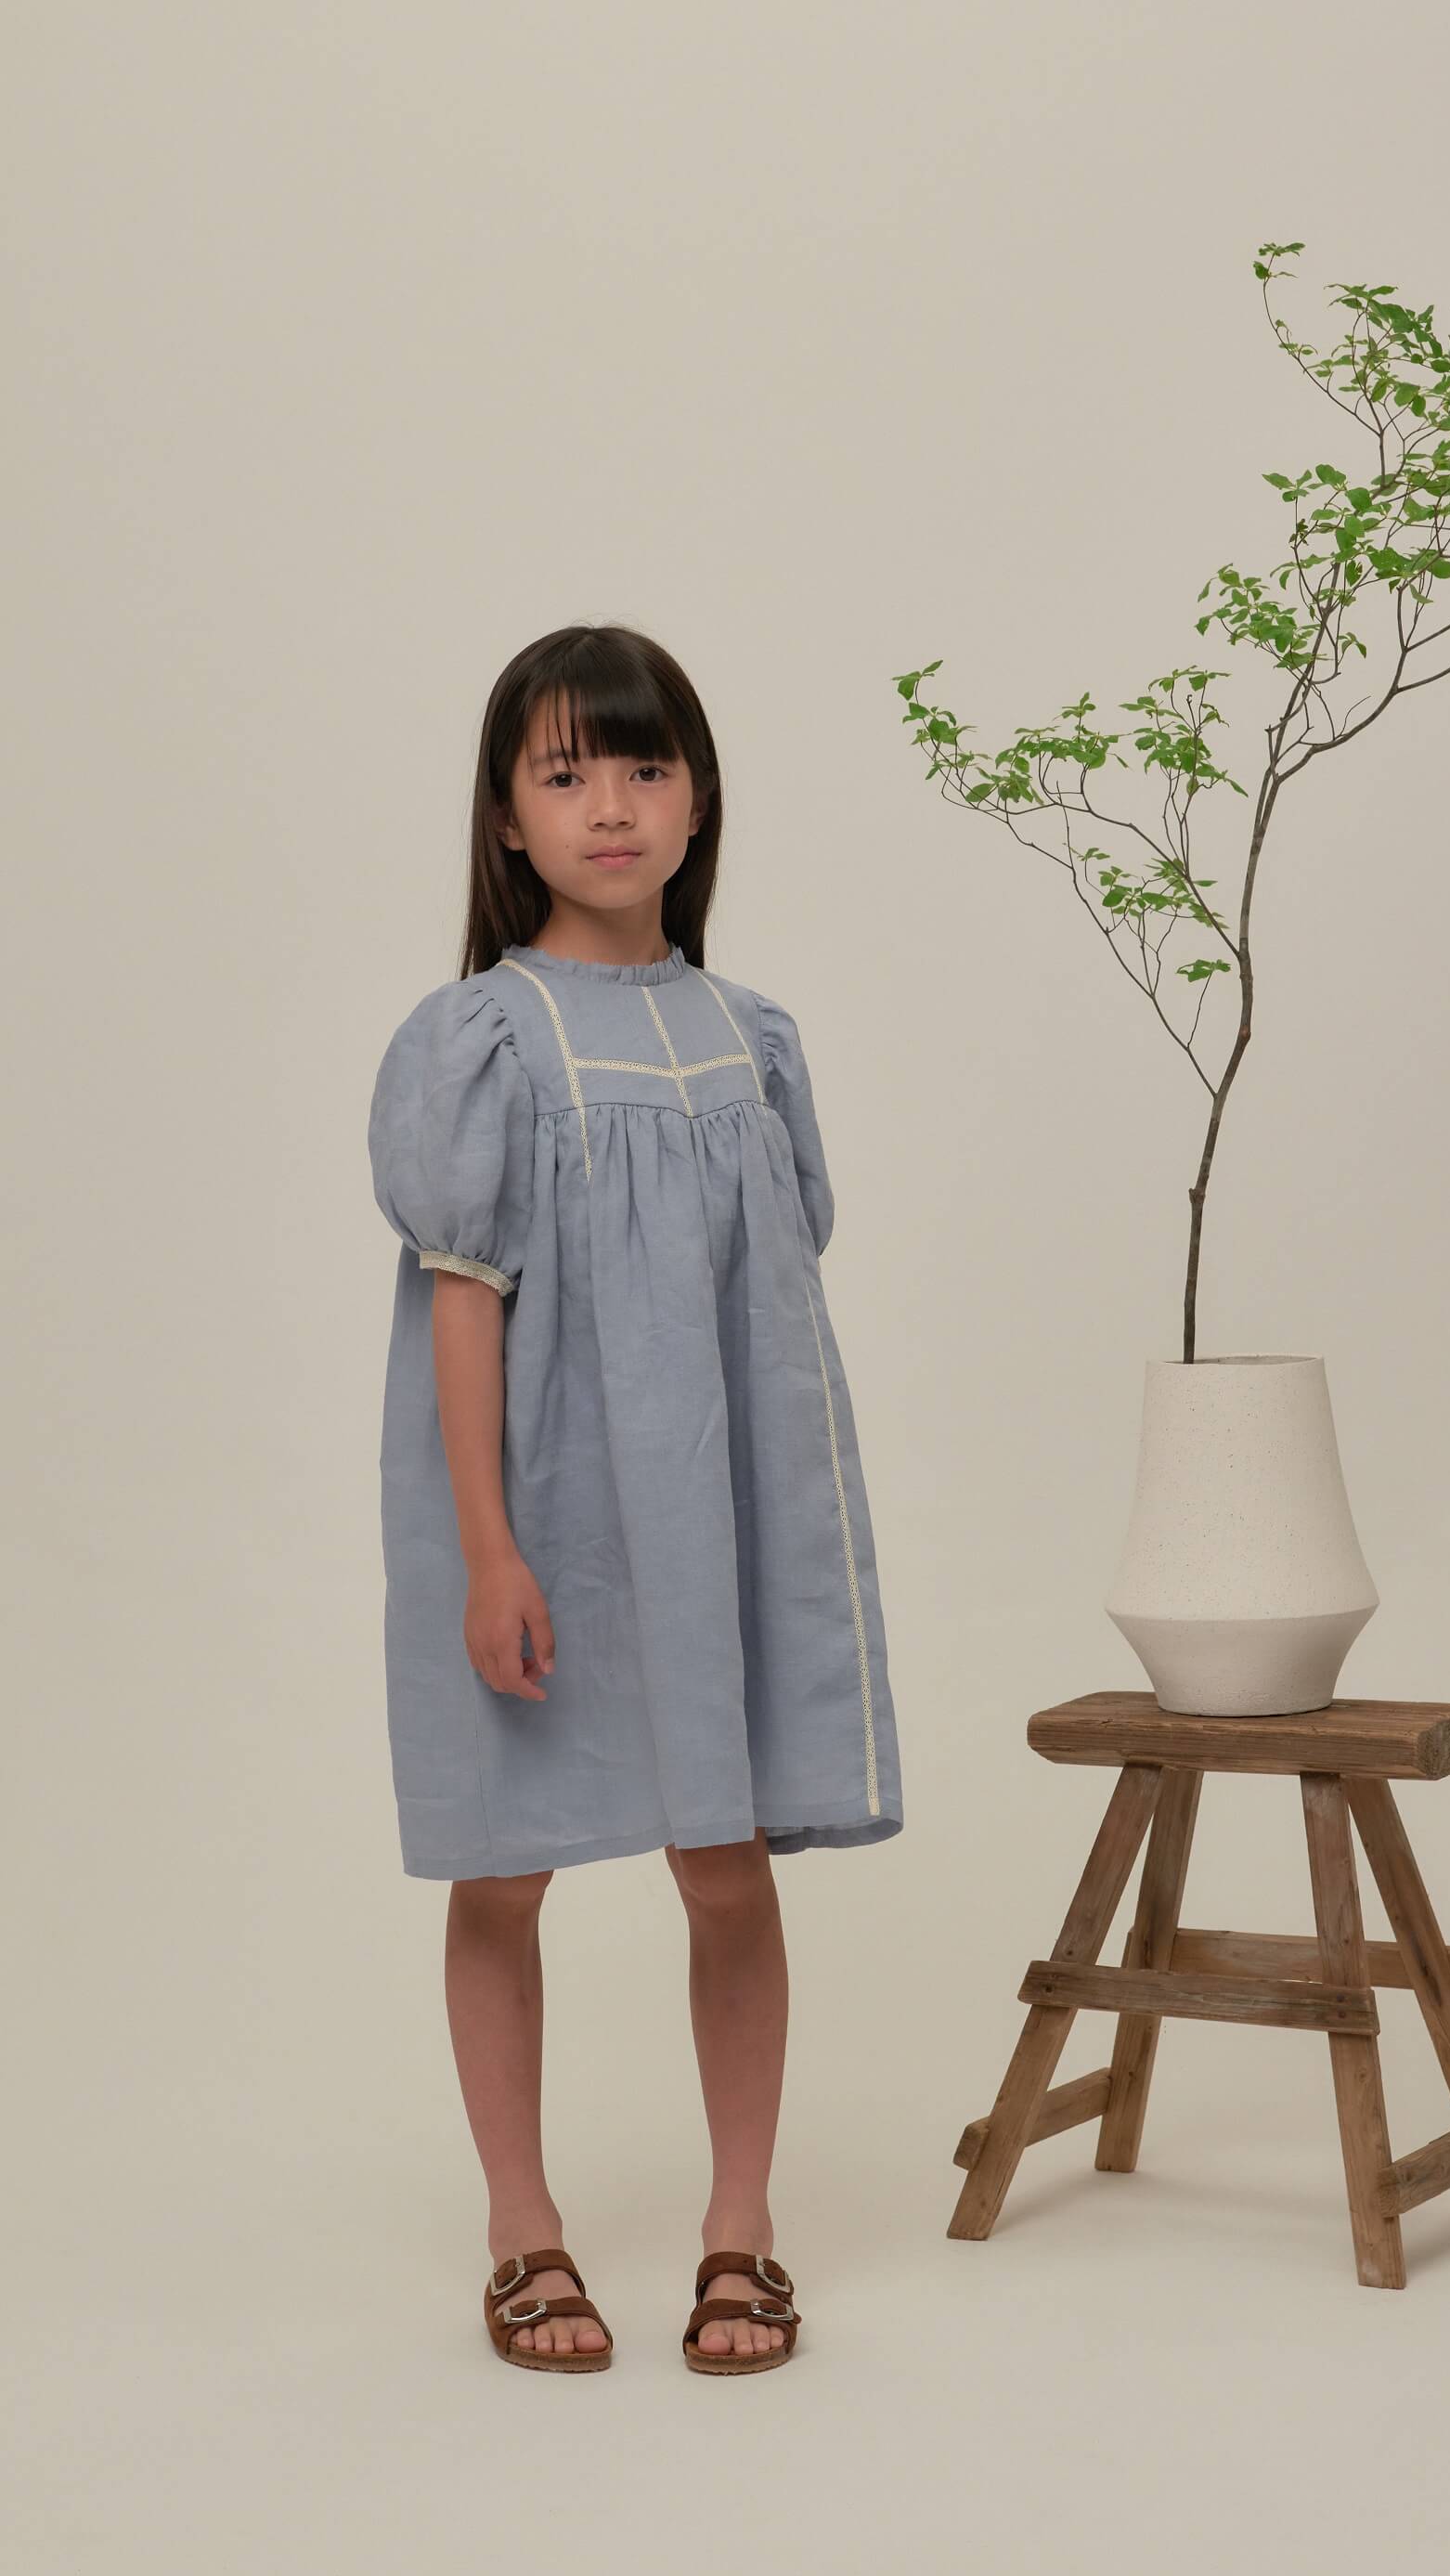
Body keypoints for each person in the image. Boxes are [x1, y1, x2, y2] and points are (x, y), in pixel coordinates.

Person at [367, 623, 903, 2378]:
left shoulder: (754, 1039)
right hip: (542, 1519)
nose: (611, 804)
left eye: (646, 766)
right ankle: (521, 2225)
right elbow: (466, 1304)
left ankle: (741, 2223)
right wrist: (490, 1549)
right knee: (505, 1865)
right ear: (505, 815)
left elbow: (760, 1303)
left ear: (698, 798)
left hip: (714, 1516)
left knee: (726, 1865)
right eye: (566, 771)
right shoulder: (485, 1040)